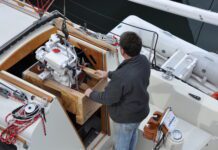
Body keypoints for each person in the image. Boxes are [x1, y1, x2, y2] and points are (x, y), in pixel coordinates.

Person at [85, 31, 150, 150]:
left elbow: (108, 98)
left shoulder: (122, 77)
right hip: (141, 111)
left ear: (122, 51)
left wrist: (90, 93)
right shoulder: (144, 61)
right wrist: (108, 74)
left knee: (122, 145)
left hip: (126, 119)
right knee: (132, 134)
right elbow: (127, 75)